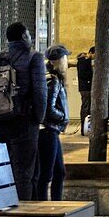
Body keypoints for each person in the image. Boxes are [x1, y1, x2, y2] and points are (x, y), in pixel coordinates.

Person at [0, 22, 46, 200]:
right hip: (24, 120)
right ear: (25, 37)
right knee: (24, 172)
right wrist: (38, 118)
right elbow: (40, 92)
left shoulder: (0, 57)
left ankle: (3, 207)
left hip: (0, 119)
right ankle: (21, 213)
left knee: (2, 169)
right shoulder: (34, 57)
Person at [37, 45, 70, 201]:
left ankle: (56, 204)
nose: (68, 61)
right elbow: (48, 109)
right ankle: (43, 207)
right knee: (46, 174)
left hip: (51, 131)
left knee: (59, 171)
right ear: (59, 61)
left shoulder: (51, 78)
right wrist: (62, 116)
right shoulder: (53, 80)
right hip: (48, 131)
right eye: (65, 58)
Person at [76, 45, 95, 135]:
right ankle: (85, 127)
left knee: (87, 107)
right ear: (91, 53)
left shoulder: (84, 61)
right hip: (86, 87)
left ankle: (87, 127)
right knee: (86, 107)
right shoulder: (84, 61)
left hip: (85, 87)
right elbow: (84, 74)